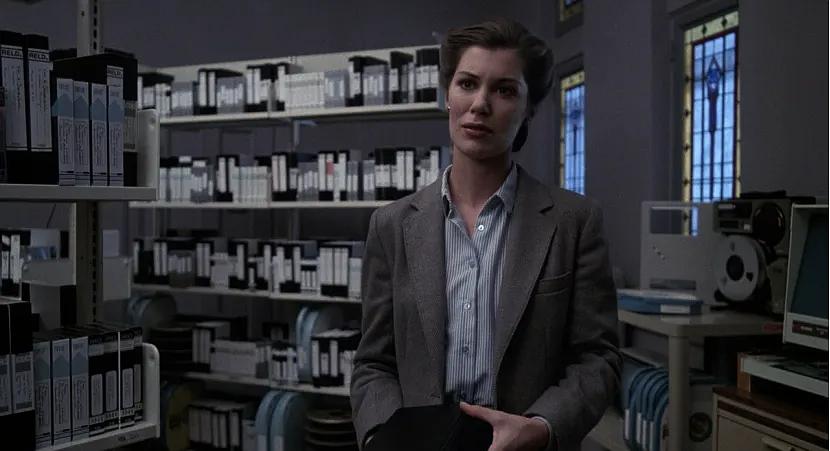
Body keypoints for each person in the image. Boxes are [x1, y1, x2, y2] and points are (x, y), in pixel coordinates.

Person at [350, 18, 621, 451]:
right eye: (467, 84)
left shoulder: (574, 222)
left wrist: (540, 427)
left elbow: (597, 359)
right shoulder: (391, 225)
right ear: (447, 95)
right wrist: (384, 439)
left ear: (529, 108)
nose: (480, 104)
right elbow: (374, 363)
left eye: (504, 90)